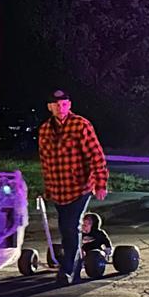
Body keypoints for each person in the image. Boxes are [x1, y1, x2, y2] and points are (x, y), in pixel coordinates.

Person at [38, 88, 109, 285]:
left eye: (64, 105)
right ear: (50, 107)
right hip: (58, 189)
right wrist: (47, 189)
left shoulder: (80, 125)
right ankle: (74, 270)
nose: (60, 109)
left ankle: (67, 268)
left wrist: (101, 183)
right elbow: (45, 161)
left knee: (72, 226)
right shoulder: (45, 130)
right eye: (56, 105)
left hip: (80, 187)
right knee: (65, 228)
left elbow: (96, 155)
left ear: (69, 105)